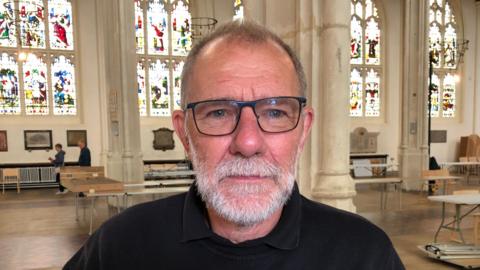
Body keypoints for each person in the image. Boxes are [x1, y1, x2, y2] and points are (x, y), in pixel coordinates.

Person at [64, 21, 404, 269]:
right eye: (218, 112)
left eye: (274, 112)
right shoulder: (120, 247)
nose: (248, 142)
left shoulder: (365, 255)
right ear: (184, 133)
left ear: (303, 130)